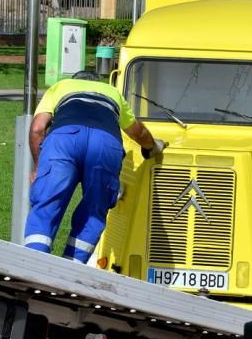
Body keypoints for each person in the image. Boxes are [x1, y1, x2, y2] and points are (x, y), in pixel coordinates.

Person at [24, 70, 165, 263]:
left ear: (76, 81)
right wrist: (153, 146)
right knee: (94, 210)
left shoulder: (62, 86)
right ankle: (71, 270)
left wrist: (39, 168)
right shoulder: (112, 92)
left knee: (47, 203)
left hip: (65, 140)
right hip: (106, 144)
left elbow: (38, 128)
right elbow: (137, 132)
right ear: (97, 82)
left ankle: (33, 264)